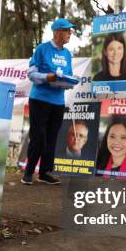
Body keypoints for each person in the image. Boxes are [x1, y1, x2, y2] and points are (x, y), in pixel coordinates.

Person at [21, 18, 76, 185]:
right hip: (39, 100)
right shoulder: (41, 49)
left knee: (52, 138)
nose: (70, 33)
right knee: (39, 138)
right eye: (67, 30)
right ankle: (28, 172)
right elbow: (31, 74)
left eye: (70, 31)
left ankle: (45, 172)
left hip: (58, 102)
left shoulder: (67, 54)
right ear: (57, 32)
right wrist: (48, 77)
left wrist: (69, 82)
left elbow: (68, 75)